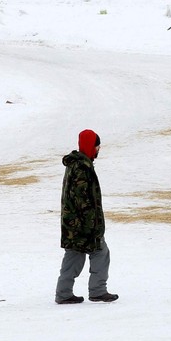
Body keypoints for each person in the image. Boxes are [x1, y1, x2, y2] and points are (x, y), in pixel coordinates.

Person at [55, 129, 117, 304]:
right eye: (97, 146)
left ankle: (64, 293)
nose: (98, 149)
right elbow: (84, 201)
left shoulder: (77, 164)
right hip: (83, 225)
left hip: (74, 224)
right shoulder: (82, 168)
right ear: (91, 146)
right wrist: (92, 228)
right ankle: (97, 291)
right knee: (100, 252)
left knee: (74, 257)